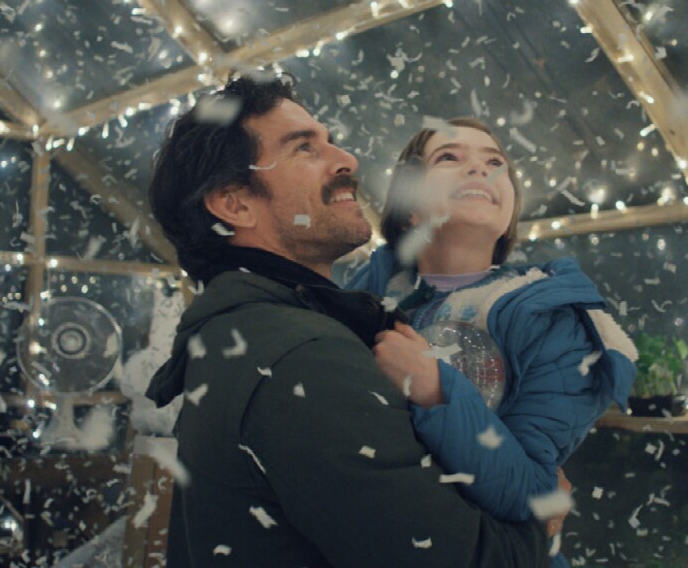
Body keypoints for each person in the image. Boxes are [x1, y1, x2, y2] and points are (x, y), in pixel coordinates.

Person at [144, 75, 557, 567]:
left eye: (330, 140)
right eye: (304, 148)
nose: (347, 159)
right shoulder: (300, 358)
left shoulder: (235, 333)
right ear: (235, 204)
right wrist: (541, 521)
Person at [344, 117, 638, 566]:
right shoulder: (353, 300)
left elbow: (538, 494)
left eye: (495, 162)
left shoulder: (549, 315)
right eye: (449, 158)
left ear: (509, 212)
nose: (481, 170)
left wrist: (436, 392)